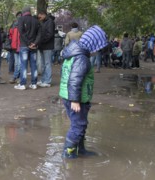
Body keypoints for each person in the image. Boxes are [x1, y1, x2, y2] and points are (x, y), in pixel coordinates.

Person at [59, 25, 108, 159]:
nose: (96, 51)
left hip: (70, 95)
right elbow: (75, 79)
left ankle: (80, 149)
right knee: (78, 125)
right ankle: (68, 153)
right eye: (97, 48)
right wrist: (75, 100)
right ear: (92, 45)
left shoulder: (73, 53)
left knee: (81, 123)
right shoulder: (82, 58)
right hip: (75, 98)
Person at [14, 6, 41, 90]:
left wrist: (28, 43)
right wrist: (34, 43)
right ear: (30, 12)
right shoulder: (36, 20)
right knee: (33, 65)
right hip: (34, 46)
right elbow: (39, 34)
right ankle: (34, 84)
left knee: (23, 65)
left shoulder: (21, 19)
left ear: (23, 12)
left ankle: (22, 84)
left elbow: (21, 32)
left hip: (24, 45)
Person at [37, 11, 55, 88]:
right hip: (42, 46)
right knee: (44, 64)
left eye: (40, 16)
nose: (39, 17)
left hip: (47, 46)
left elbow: (49, 34)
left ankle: (47, 81)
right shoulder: (43, 22)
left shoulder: (50, 22)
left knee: (47, 64)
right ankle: (44, 79)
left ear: (43, 14)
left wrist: (42, 41)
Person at [8, 11, 22, 84]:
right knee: (17, 63)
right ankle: (18, 77)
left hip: (20, 46)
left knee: (19, 64)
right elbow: (10, 35)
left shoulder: (23, 25)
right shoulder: (13, 26)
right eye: (18, 16)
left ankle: (15, 76)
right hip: (14, 47)